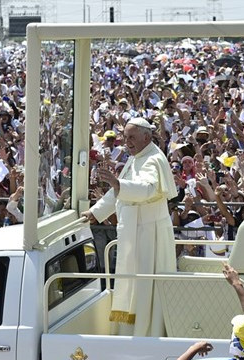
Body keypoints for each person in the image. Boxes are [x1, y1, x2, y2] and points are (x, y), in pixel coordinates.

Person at [80, 117, 177, 337]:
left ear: (147, 136)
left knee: (145, 286)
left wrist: (117, 183)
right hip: (136, 232)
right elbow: (118, 194)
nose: (127, 142)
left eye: (131, 137)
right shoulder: (136, 158)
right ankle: (132, 332)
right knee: (133, 283)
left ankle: (147, 334)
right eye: (125, 137)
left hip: (149, 235)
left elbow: (147, 189)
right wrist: (95, 212)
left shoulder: (153, 159)